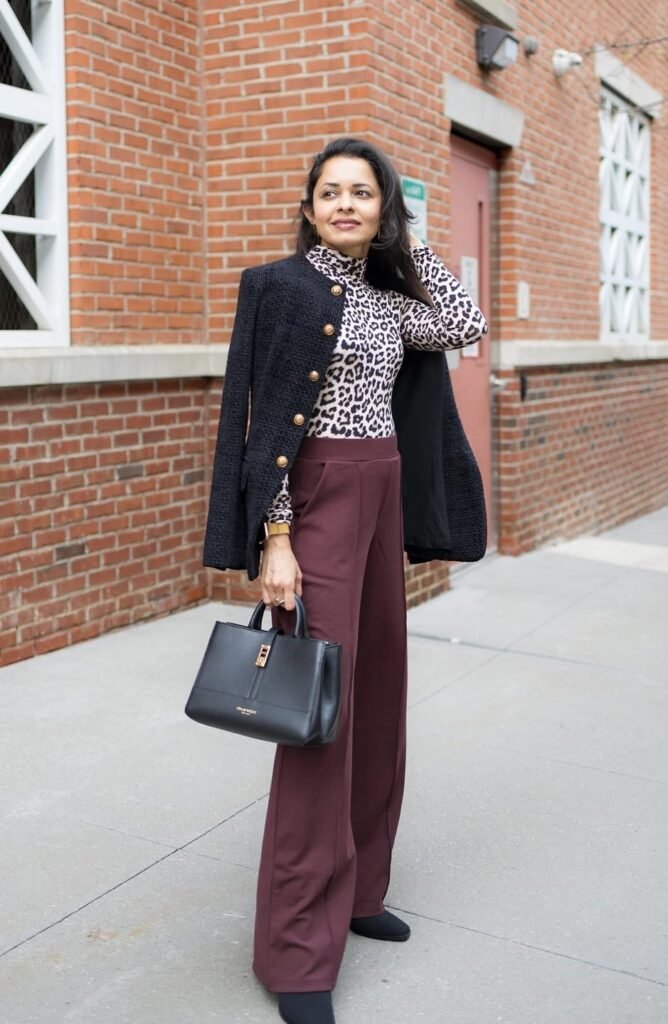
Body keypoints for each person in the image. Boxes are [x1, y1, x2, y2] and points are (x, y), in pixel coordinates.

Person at [203, 137, 488, 1024]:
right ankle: (294, 954)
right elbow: (260, 423)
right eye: (330, 192)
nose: (345, 205)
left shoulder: (391, 297)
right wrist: (276, 539)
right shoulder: (277, 287)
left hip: (382, 497)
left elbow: (464, 323)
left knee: (377, 697)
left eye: (363, 193)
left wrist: (417, 240)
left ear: (381, 210)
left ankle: (360, 891)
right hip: (317, 497)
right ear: (308, 207)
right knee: (316, 716)